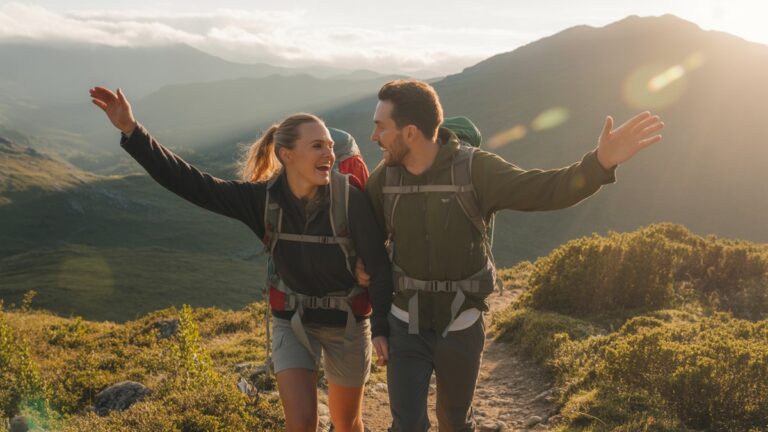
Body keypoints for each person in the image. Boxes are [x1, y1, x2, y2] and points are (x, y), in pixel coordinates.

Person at [363, 79, 664, 431]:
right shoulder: (383, 180)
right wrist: (379, 325)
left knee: (455, 421)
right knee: (407, 425)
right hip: (405, 321)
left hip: (460, 322)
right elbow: (371, 254)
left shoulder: (476, 169)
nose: (374, 137)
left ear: (410, 132)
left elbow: (544, 190)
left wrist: (599, 164)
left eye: (381, 128)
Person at [89, 86, 392, 432]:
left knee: (347, 423)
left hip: (347, 324)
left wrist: (381, 328)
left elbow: (379, 267)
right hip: (292, 320)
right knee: (302, 423)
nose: (329, 154)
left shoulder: (350, 199)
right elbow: (192, 183)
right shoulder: (263, 200)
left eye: (330, 146)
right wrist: (132, 131)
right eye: (317, 146)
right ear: (286, 155)